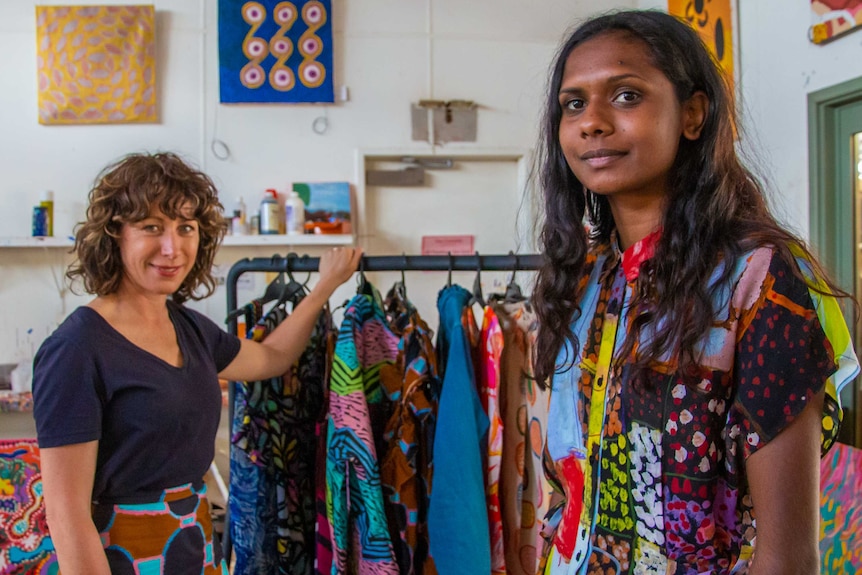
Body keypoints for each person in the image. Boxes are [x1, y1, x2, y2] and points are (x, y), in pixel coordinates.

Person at [531, 9, 858, 575]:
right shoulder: (585, 281)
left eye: (627, 95)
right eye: (574, 103)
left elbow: (787, 559)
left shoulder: (760, 279)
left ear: (693, 113)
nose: (592, 122)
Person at [32, 152, 362, 574]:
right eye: (152, 227)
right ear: (115, 235)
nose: (172, 248)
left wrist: (324, 287)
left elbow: (271, 358)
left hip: (193, 541)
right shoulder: (77, 349)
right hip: (119, 555)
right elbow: (66, 513)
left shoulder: (188, 327)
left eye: (186, 228)